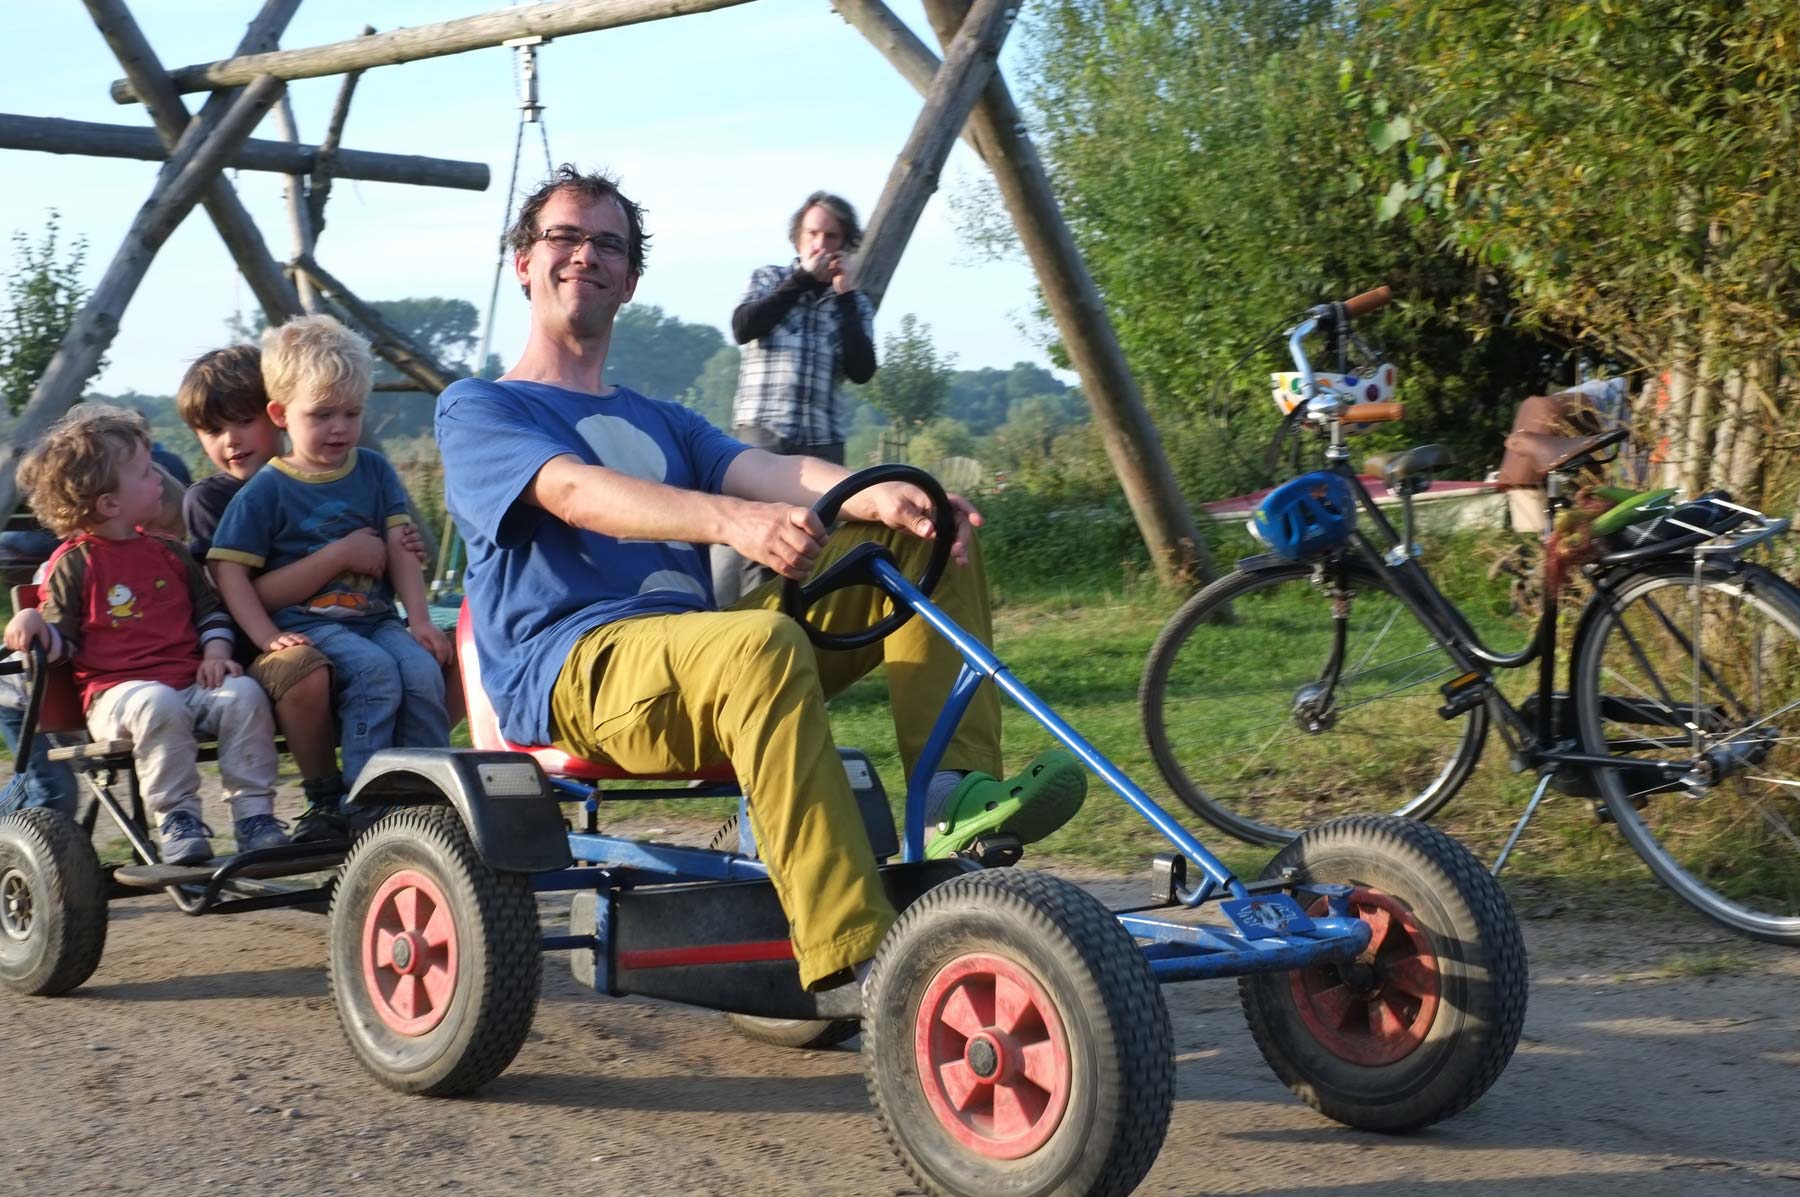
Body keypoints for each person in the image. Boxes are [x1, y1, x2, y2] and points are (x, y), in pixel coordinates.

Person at [435, 165, 1085, 993]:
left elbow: (768, 469)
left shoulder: (662, 417)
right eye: (564, 236)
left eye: (608, 244)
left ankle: (950, 798)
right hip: (578, 668)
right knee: (759, 640)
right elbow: (572, 490)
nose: (585, 255)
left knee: (926, 538)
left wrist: (895, 491)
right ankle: (858, 954)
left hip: (697, 660)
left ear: (629, 279)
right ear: (523, 261)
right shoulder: (481, 406)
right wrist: (726, 520)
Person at [5, 405, 284, 863]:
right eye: (144, 471)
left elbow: (210, 613)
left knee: (244, 695)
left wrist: (216, 651)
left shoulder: (171, 554)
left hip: (187, 685)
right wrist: (33, 622)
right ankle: (178, 820)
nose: (159, 477)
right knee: (157, 702)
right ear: (110, 503)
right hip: (115, 697)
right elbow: (61, 644)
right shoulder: (75, 565)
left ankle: (255, 818)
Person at [208, 317, 451, 814]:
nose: (339, 427)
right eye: (321, 415)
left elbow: (400, 546)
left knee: (424, 671)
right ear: (280, 414)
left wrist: (421, 619)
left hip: (376, 618)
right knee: (376, 673)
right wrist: (263, 637)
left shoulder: (374, 469)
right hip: (309, 624)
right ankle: (366, 801)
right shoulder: (267, 491)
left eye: (352, 412)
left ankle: (428, 793)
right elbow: (228, 570)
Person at [177, 344, 361, 841]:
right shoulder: (211, 499)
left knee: (444, 656)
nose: (230, 440)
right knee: (301, 667)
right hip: (259, 646)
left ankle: (401, 788)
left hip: (351, 624)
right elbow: (237, 595)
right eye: (213, 430)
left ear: (277, 413)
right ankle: (326, 800)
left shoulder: (329, 475)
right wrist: (341, 555)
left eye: (242, 421)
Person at [713, 191, 877, 602]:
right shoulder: (769, 279)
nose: (821, 244)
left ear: (846, 244)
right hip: (764, 434)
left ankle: (806, 643)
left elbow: (861, 370)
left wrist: (844, 299)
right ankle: (754, 636)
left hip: (822, 440)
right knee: (759, 547)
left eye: (832, 236)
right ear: (798, 239)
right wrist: (801, 280)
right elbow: (743, 327)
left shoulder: (853, 303)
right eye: (813, 234)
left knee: (814, 550)